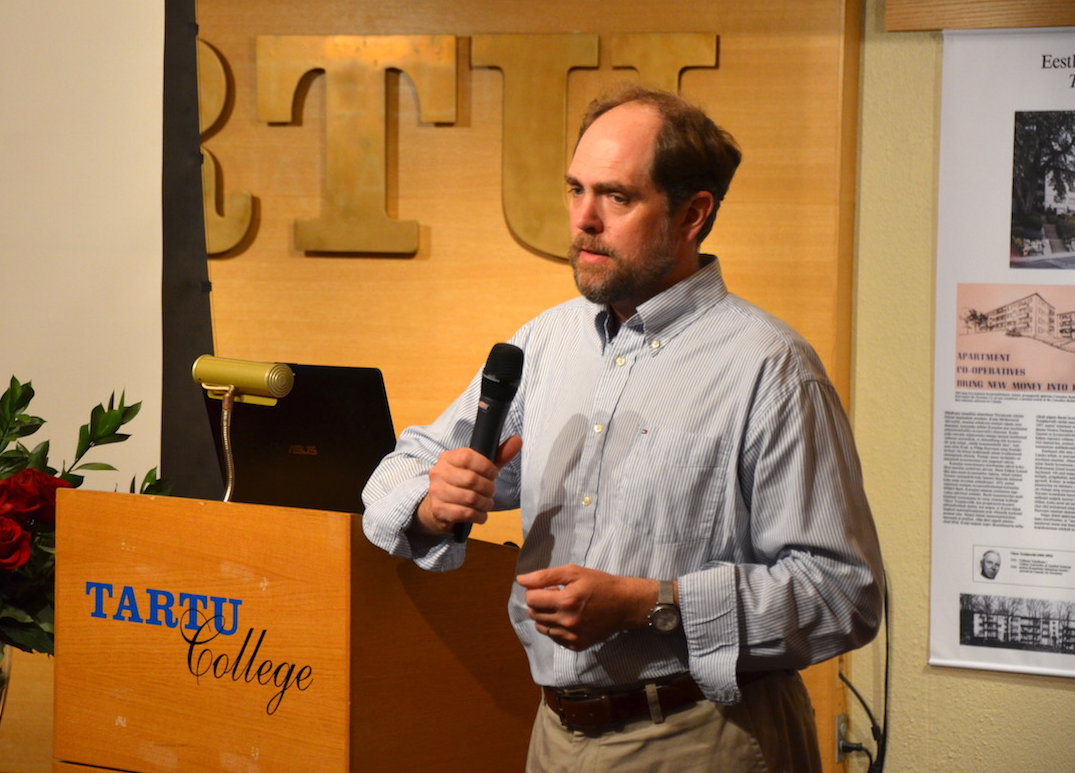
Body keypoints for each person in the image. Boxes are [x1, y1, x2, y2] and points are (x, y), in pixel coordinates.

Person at [362, 83, 884, 771]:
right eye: (575, 189)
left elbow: (843, 592)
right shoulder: (547, 341)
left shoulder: (771, 368)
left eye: (616, 196)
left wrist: (652, 604)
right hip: (553, 734)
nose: (583, 220)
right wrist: (435, 498)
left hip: (703, 736)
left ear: (693, 214)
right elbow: (401, 468)